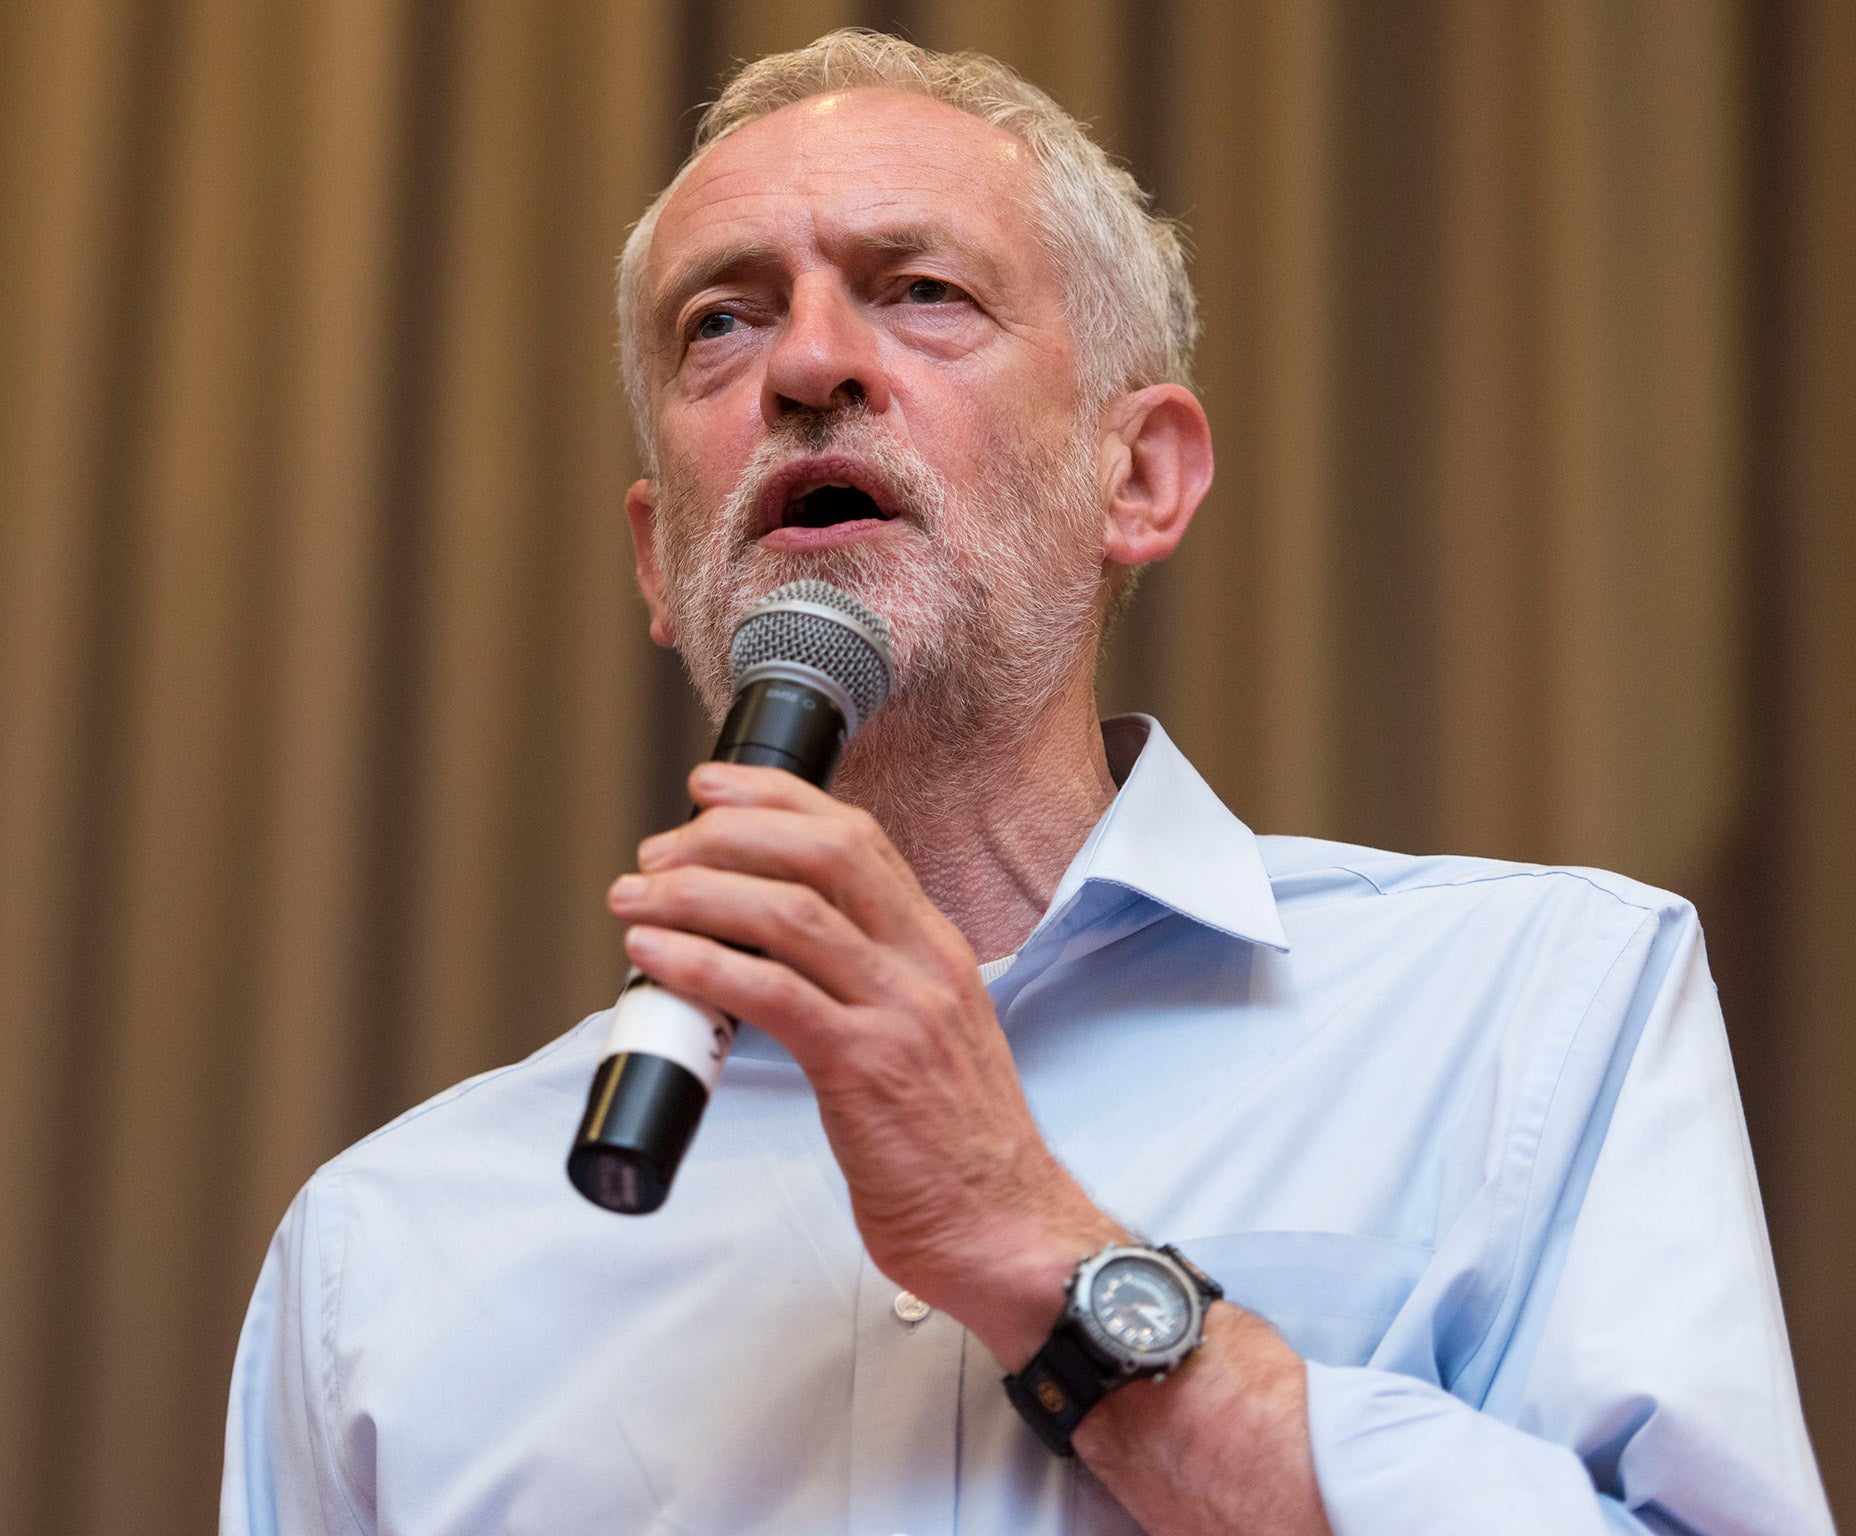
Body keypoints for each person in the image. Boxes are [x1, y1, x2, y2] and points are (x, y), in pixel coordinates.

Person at [221, 30, 1832, 1536]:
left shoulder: (1531, 1015)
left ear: (1138, 477)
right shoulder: (388, 1253)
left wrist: (1040, 1250)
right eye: (721, 319)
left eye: (919, 290)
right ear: (659, 558)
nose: (806, 363)